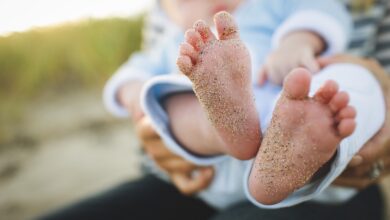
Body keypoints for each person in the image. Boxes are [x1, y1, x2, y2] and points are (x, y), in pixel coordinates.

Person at [39, 0, 390, 219]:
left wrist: (298, 41)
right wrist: (136, 98)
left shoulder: (274, 7)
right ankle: (224, 127)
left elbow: (321, 10)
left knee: (355, 77)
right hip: (210, 167)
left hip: (314, 161)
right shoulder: (177, 43)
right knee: (169, 95)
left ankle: (303, 153)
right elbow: (128, 77)